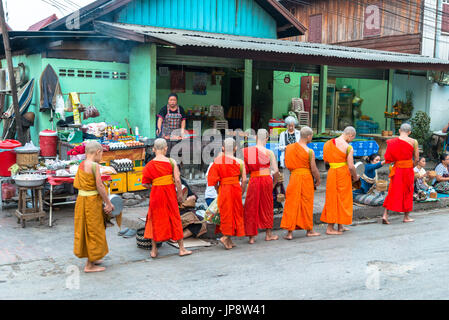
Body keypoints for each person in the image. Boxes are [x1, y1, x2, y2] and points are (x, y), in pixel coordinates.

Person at [142, 138, 192, 258]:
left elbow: (144, 183)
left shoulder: (149, 165)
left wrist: (154, 185)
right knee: (174, 218)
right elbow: (178, 180)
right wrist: (180, 195)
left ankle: (154, 250)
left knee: (155, 219)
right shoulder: (171, 162)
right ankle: (181, 249)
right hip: (169, 194)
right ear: (166, 148)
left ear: (153, 149)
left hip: (156, 195)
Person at [73, 141, 114, 273]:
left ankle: (93, 257)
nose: (101, 156)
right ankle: (89, 265)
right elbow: (100, 186)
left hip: (82, 200)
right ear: (97, 152)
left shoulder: (82, 164)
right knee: (93, 230)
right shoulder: (95, 166)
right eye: (102, 153)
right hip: (91, 202)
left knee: (86, 228)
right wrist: (108, 202)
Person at [281, 126, 321, 240]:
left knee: (292, 203)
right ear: (308, 136)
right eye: (311, 137)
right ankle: (309, 230)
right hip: (306, 178)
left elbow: (287, 164)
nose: (311, 138)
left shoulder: (289, 148)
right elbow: (313, 169)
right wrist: (318, 179)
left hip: (294, 177)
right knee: (306, 203)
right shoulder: (309, 151)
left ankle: (289, 233)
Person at [207, 138, 247, 250]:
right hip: (235, 188)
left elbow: (213, 180)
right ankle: (225, 237)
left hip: (224, 188)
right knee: (235, 213)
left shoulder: (218, 160)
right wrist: (242, 191)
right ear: (235, 149)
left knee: (226, 213)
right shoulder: (240, 162)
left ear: (223, 148)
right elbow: (244, 180)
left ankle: (228, 238)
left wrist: (217, 190)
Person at [243, 129, 280, 244]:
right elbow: (275, 171)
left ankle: (252, 237)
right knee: (267, 206)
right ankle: (268, 234)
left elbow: (244, 171)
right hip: (266, 180)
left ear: (255, 138)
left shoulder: (248, 151)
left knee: (251, 206)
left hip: (254, 179)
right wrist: (273, 184)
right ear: (267, 139)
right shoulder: (269, 153)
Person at [320, 126, 359, 235]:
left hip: (332, 172)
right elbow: (351, 166)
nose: (352, 140)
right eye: (352, 138)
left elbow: (326, 160)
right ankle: (330, 228)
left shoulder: (328, 143)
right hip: (343, 173)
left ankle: (340, 225)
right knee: (342, 198)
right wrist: (355, 177)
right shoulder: (348, 147)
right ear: (350, 135)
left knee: (333, 197)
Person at [382, 123, 419, 224]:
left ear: (399, 131)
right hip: (408, 169)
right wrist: (411, 166)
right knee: (408, 191)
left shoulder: (393, 141)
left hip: (397, 168)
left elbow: (388, 158)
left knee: (393, 190)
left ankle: (385, 214)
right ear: (409, 132)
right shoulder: (413, 141)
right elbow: (417, 159)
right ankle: (406, 217)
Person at [278, 116, 301, 190]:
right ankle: (287, 191)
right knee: (286, 176)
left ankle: (295, 190)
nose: (290, 127)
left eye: (292, 125)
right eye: (289, 125)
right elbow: (280, 147)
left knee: (296, 175)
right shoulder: (282, 134)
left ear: (294, 125)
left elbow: (301, 145)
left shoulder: (299, 133)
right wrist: (286, 147)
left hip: (296, 158)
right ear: (286, 125)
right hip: (286, 158)